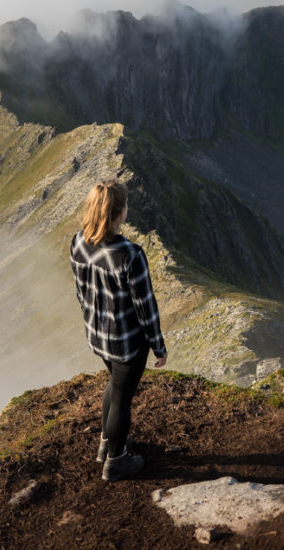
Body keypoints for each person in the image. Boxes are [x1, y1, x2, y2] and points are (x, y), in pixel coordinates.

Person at [70, 179, 167, 482]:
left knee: (115, 385)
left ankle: (106, 444)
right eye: (125, 207)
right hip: (126, 342)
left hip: (97, 335)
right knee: (122, 399)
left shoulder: (78, 242)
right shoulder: (129, 255)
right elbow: (145, 307)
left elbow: (80, 290)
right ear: (118, 212)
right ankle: (116, 460)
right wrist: (158, 345)